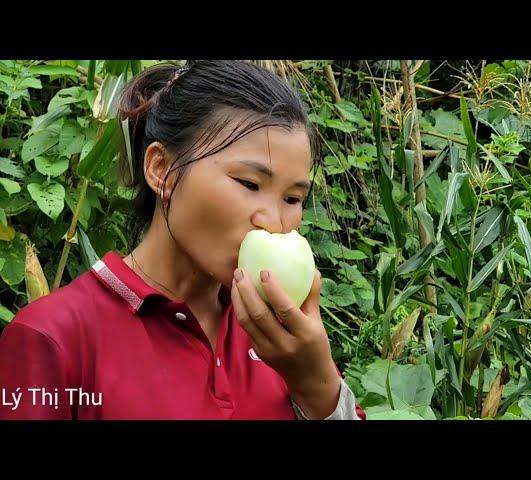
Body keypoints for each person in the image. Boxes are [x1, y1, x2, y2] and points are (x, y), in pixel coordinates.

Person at [0, 60, 365, 420]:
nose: (272, 222)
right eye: (250, 184)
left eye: (292, 199)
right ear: (162, 170)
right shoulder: (52, 339)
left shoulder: (284, 339)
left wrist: (317, 387)